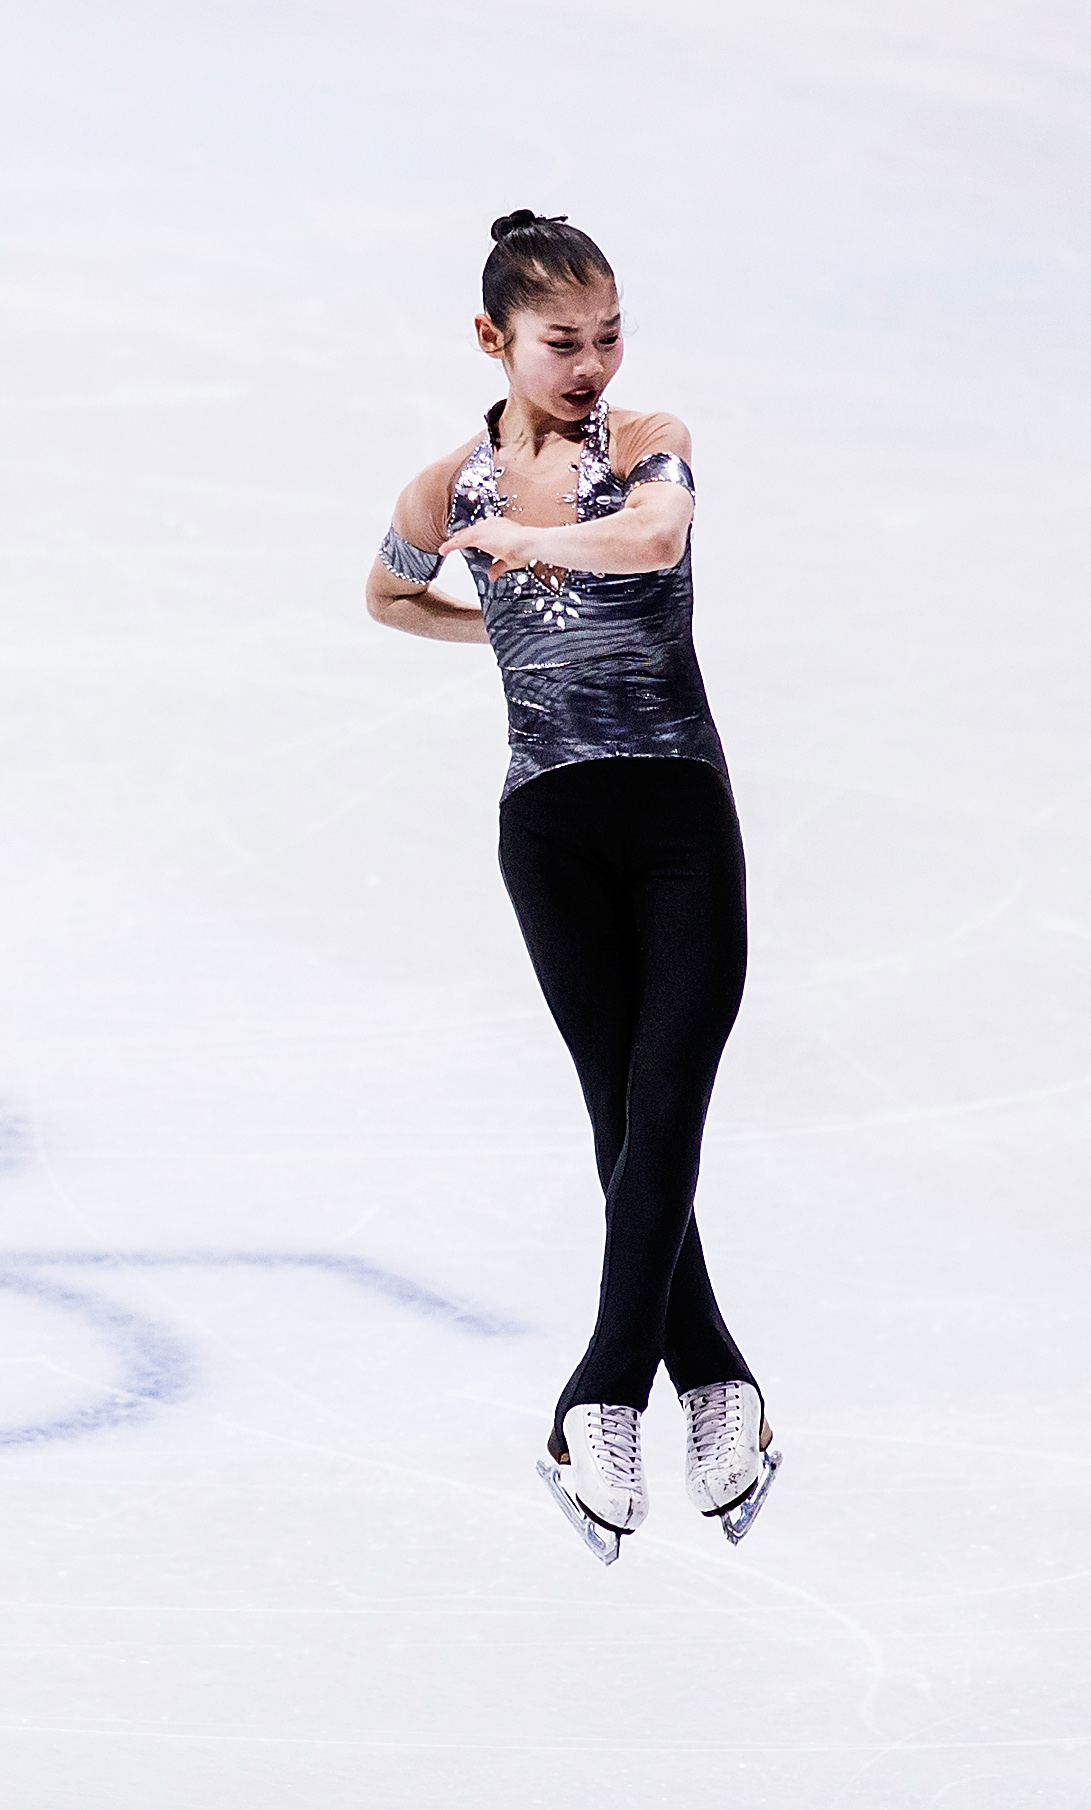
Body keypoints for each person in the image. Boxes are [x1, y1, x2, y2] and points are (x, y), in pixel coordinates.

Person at [363, 211, 779, 1563]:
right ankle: (714, 1379)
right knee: (623, 1114)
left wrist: (530, 551)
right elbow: (387, 595)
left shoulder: (648, 442)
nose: (592, 364)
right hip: (548, 830)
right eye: (563, 341)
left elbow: (654, 541)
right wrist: (490, 620)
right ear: (494, 339)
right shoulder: (447, 487)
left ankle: (600, 1393)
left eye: (607, 336)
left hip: (677, 818)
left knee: (666, 1102)